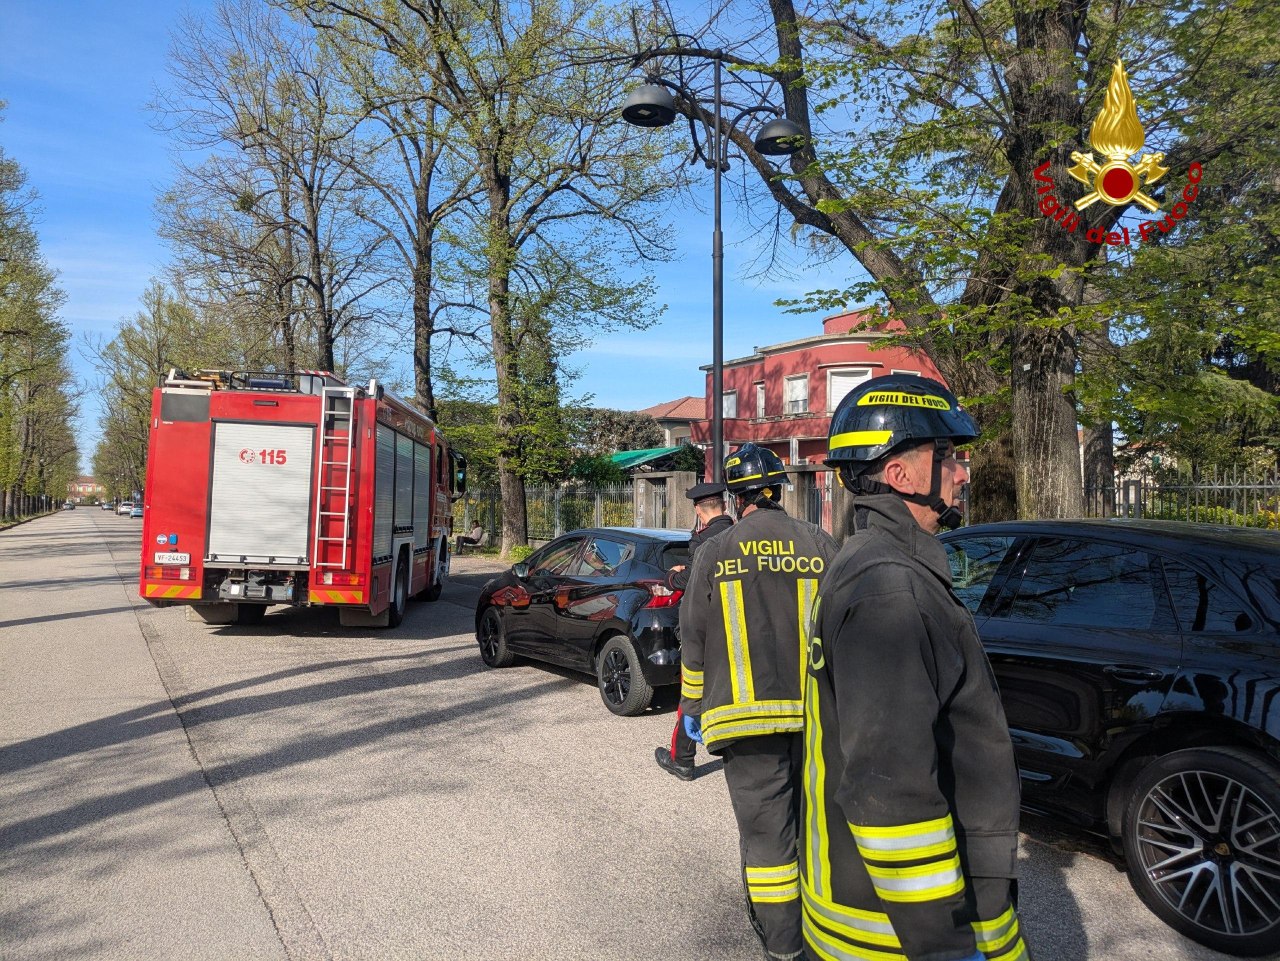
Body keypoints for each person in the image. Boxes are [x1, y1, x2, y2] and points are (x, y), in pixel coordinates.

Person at [802, 374, 1029, 961]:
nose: (962, 471)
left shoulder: (876, 564)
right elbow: (891, 793)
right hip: (901, 935)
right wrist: (942, 946)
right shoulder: (889, 589)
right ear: (900, 474)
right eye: (947, 455)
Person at [680, 444, 839, 961]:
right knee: (817, 827)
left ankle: (784, 946)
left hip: (744, 726)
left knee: (768, 839)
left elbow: (694, 641)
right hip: (816, 721)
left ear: (737, 496)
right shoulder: (820, 543)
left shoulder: (715, 550)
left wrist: (691, 712)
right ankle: (827, 933)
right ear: (778, 490)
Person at [653, 480, 734, 782]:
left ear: (699, 511)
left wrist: (673, 576)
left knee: (693, 694)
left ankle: (682, 759)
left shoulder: (705, 540)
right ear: (724, 506)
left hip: (703, 631)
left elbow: (692, 580)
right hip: (736, 628)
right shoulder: (740, 534)